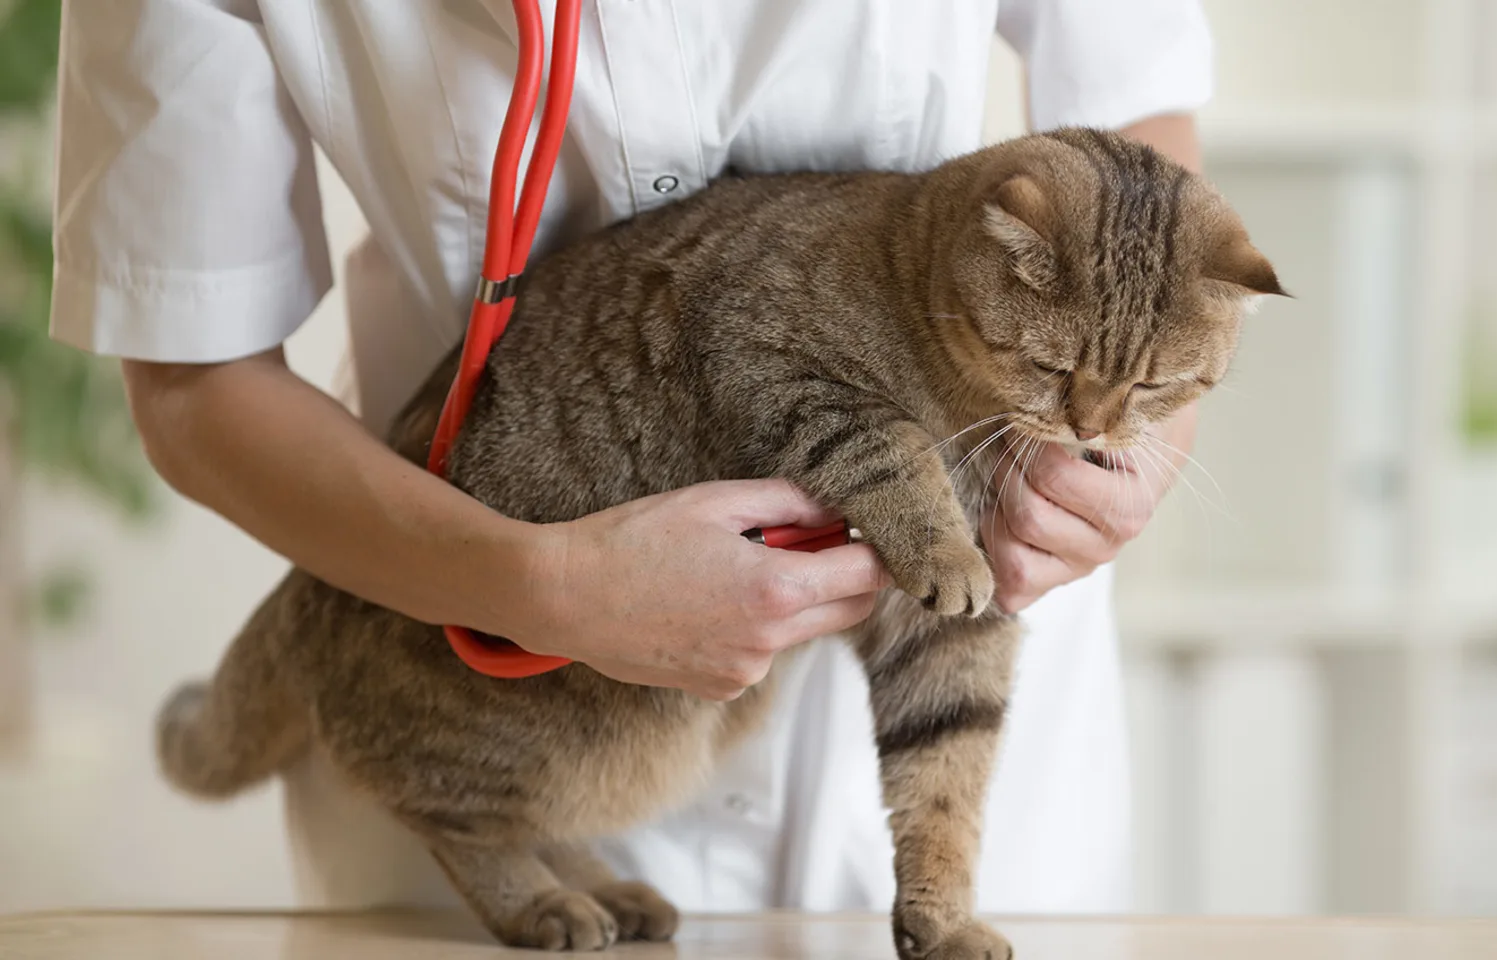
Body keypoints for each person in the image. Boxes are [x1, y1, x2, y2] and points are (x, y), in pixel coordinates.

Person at [52, 0, 1210, 914]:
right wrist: (534, 587)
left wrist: (1134, 458)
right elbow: (192, 372)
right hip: (469, 626)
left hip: (959, 630)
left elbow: (1142, 113)